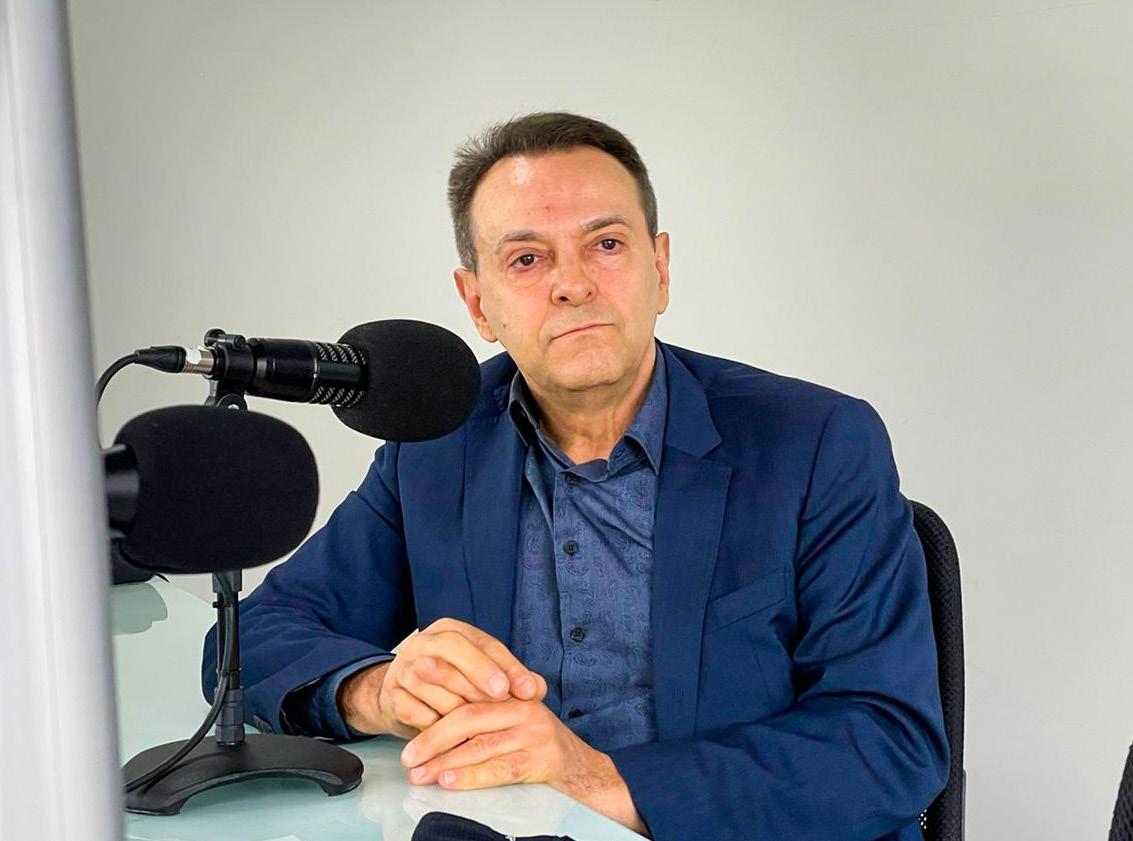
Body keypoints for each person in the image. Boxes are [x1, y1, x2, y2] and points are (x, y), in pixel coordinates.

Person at [202, 112, 949, 841]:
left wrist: (594, 779)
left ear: (659, 269)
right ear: (477, 303)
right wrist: (379, 690)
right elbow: (249, 638)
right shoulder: (439, 442)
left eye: (606, 245)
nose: (572, 285)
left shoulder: (817, 442)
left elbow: (888, 742)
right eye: (527, 260)